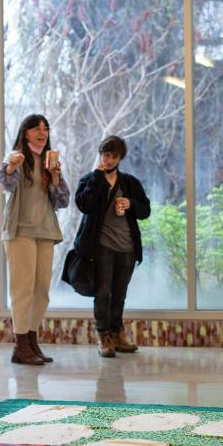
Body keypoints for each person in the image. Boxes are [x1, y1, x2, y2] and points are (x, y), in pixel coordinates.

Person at [0, 114, 71, 365]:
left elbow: (63, 201)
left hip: (45, 230)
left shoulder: (51, 161)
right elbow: (5, 182)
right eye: (37, 128)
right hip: (20, 231)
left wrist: (55, 177)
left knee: (41, 290)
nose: (43, 132)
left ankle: (31, 339)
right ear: (25, 132)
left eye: (46, 129)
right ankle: (20, 345)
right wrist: (11, 166)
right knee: (22, 289)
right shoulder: (17, 157)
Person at [73, 136, 151, 358]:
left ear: (120, 158)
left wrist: (130, 204)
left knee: (119, 294)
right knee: (103, 292)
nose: (107, 160)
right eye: (105, 155)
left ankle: (117, 334)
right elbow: (84, 204)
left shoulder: (130, 183)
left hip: (127, 245)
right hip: (102, 246)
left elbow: (146, 210)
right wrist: (97, 178)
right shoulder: (90, 179)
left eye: (112, 156)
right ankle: (103, 336)